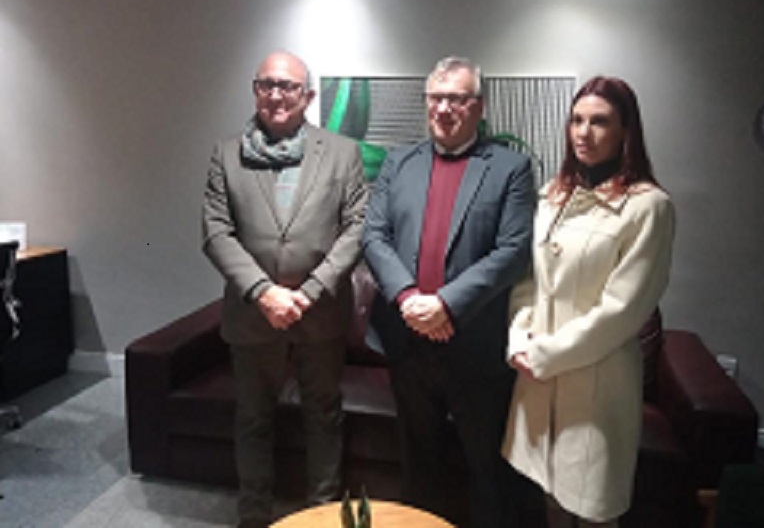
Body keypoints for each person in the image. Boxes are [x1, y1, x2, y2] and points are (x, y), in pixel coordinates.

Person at [362, 56, 535, 527]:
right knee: (419, 465)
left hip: (475, 347)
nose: (443, 108)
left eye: (456, 99)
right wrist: (407, 299)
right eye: (436, 98)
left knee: (487, 470)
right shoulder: (399, 162)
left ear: (479, 106)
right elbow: (373, 236)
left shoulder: (511, 168)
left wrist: (446, 305)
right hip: (408, 343)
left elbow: (514, 250)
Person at [201, 50, 368, 528]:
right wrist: (264, 292)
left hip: (321, 313)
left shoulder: (343, 153)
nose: (276, 95)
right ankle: (254, 516)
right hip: (253, 315)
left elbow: (357, 229)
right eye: (266, 84)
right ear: (255, 90)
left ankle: (320, 515)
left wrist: (310, 291)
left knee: (323, 416)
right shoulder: (226, 154)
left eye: (288, 86)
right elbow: (216, 232)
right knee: (253, 420)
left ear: (308, 96)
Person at [502, 76, 676, 528]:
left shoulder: (648, 207)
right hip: (537, 377)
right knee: (550, 501)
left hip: (596, 382)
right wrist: (519, 338)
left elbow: (624, 309)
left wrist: (546, 354)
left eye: (599, 122)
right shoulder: (552, 196)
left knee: (593, 506)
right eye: (577, 120)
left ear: (625, 131)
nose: (584, 132)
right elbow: (529, 282)